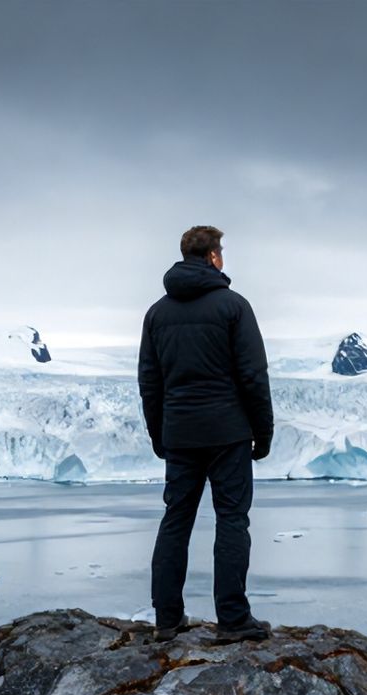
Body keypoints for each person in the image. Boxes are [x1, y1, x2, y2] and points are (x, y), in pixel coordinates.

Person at [138, 225, 274, 643]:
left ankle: (167, 618)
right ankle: (232, 618)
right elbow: (253, 375)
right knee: (232, 519)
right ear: (214, 256)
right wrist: (262, 433)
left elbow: (149, 381)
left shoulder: (157, 313)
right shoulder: (233, 306)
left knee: (175, 520)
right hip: (228, 433)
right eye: (221, 252)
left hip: (180, 433)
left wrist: (160, 434)